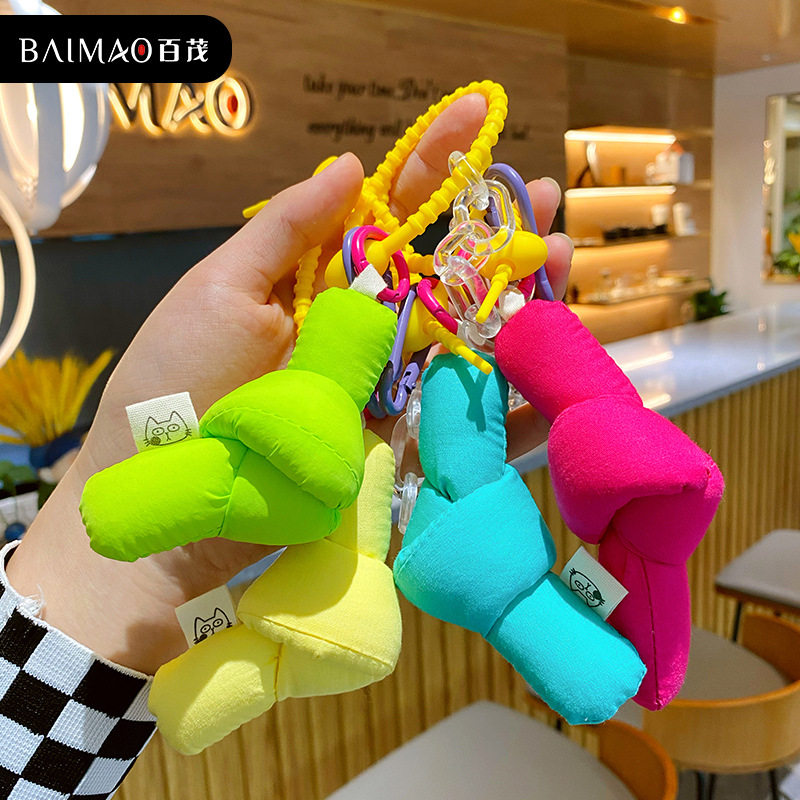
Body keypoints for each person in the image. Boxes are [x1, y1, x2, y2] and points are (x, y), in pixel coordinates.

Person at [0, 94, 573, 798]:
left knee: (217, 483)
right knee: (218, 485)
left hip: (320, 502)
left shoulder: (357, 404)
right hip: (328, 512)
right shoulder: (342, 396)